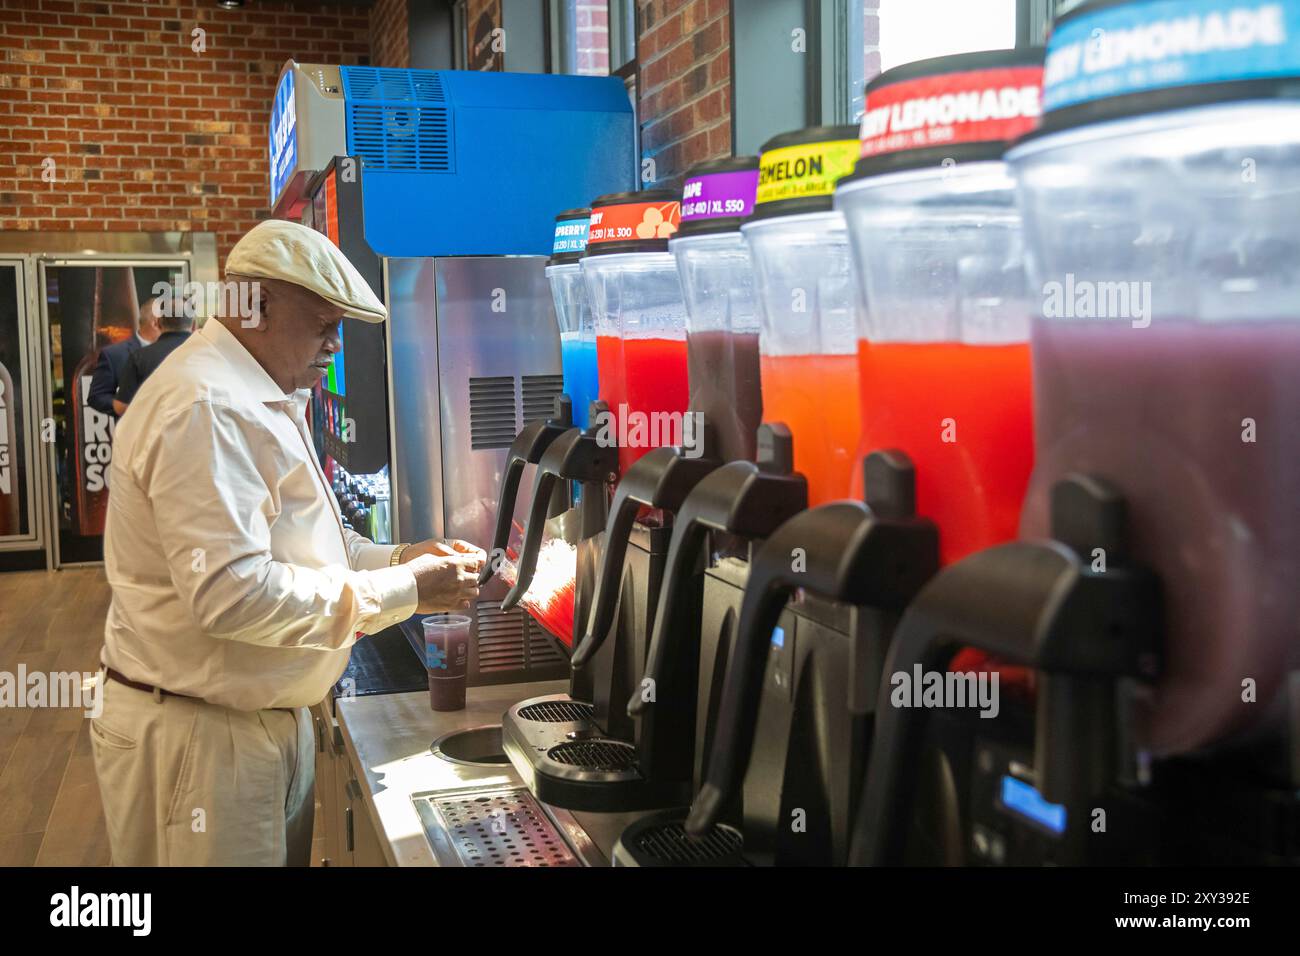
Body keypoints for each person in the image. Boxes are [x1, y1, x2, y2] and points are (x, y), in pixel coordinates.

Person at [91, 219, 485, 866]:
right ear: (260, 305)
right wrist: (409, 590)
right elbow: (232, 595)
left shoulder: (264, 391)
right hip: (203, 739)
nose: (335, 345)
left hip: (260, 723)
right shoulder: (206, 404)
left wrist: (400, 559)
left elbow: (317, 545)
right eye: (325, 324)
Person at [112, 305, 194, 415]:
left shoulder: (139, 357)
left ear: (158, 323)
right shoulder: (209, 355)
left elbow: (121, 407)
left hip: (155, 430)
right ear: (193, 324)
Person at [87, 296, 160, 416]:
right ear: (155, 323)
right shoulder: (114, 354)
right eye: (169, 321)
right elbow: (97, 397)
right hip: (133, 431)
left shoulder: (177, 351)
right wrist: (127, 407)